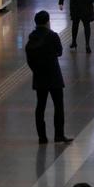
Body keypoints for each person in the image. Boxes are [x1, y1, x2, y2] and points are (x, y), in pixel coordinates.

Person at [25, 10, 71, 144]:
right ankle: (59, 135)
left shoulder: (32, 38)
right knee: (58, 106)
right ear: (47, 21)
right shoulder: (52, 35)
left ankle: (42, 137)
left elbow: (30, 59)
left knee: (40, 106)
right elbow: (60, 52)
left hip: (39, 77)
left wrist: (36, 70)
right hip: (54, 76)